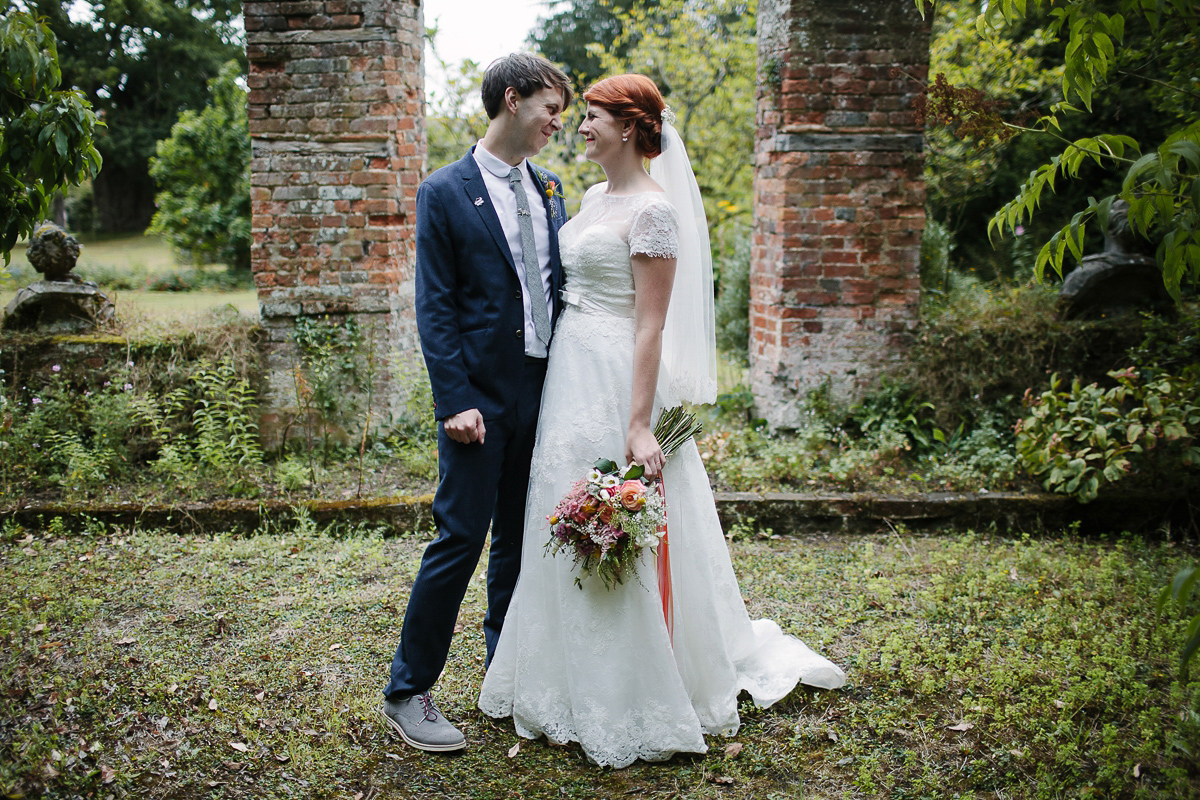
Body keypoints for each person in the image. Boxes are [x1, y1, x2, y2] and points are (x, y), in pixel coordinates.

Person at [478, 74, 846, 767]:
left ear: (629, 127)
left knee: (616, 517)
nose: (578, 126)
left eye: (590, 117)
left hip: (618, 375)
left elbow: (650, 327)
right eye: (578, 115)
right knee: (558, 508)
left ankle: (634, 685)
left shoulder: (654, 212)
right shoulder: (589, 199)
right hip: (568, 373)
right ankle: (560, 676)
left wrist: (640, 424)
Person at [379, 53, 572, 753]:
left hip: (548, 392)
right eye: (551, 107)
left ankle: (505, 674)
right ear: (513, 100)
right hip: (479, 403)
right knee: (460, 538)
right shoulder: (445, 190)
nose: (559, 121)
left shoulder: (551, 187)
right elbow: (436, 307)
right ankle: (407, 692)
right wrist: (454, 400)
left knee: (522, 542)